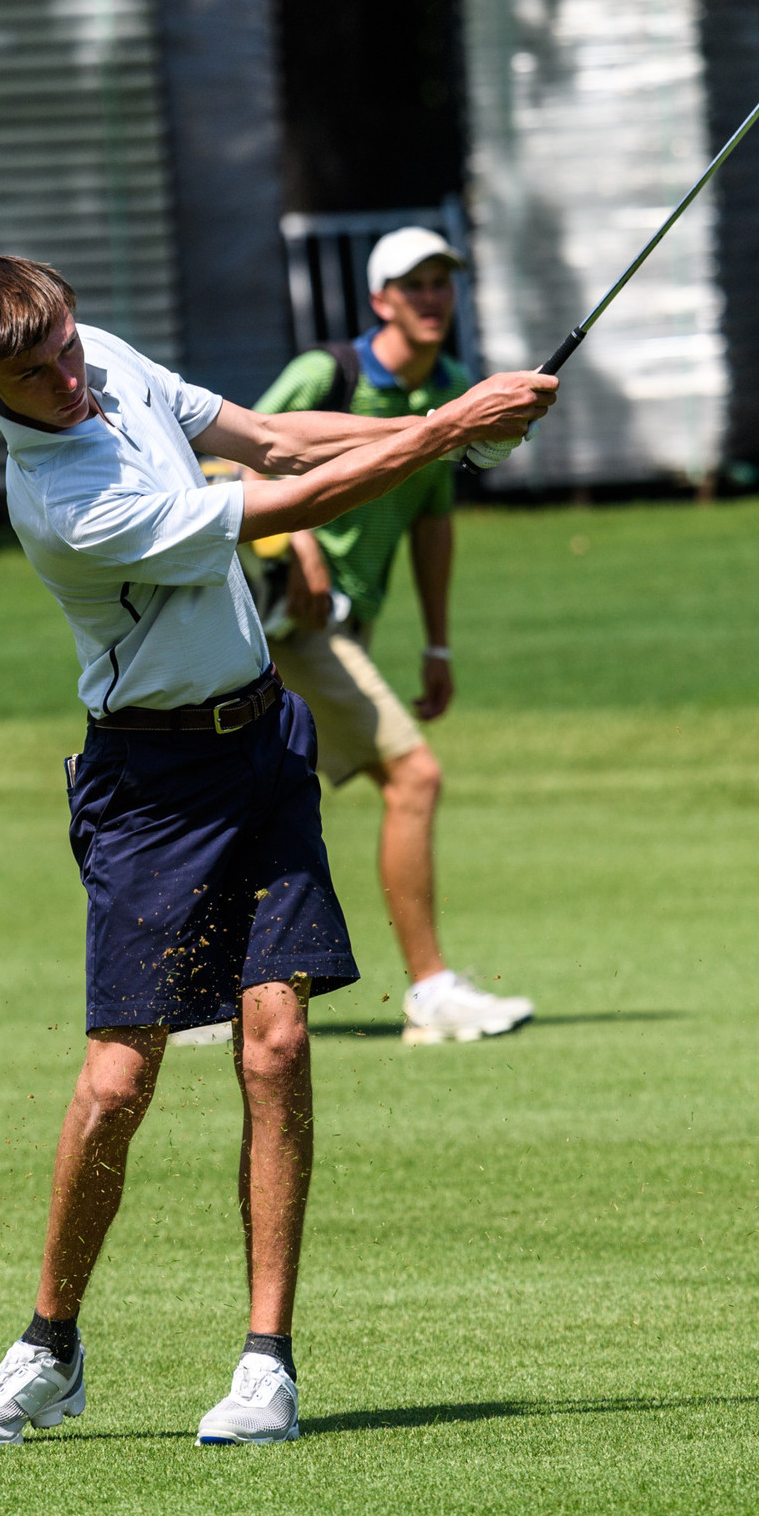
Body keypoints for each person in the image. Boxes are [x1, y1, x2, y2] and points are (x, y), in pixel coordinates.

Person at [0, 255, 555, 1449]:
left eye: (65, 341)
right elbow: (286, 508)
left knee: (275, 1042)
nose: (70, 374)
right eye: (36, 371)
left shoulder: (95, 354)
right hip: (150, 789)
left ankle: (267, 1363)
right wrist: (450, 433)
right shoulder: (63, 501)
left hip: (262, 743)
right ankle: (48, 1348)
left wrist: (441, 424)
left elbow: (268, 439)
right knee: (120, 1077)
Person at [248, 226, 535, 1045]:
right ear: (381, 300)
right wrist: (297, 540)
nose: (432, 297)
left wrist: (437, 644)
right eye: (415, 284)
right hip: (288, 624)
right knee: (414, 776)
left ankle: (203, 992)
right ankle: (432, 991)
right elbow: (240, 460)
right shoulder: (328, 373)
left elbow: (433, 525)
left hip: (346, 628)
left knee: (253, 801)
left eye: (443, 282)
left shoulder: (448, 389)